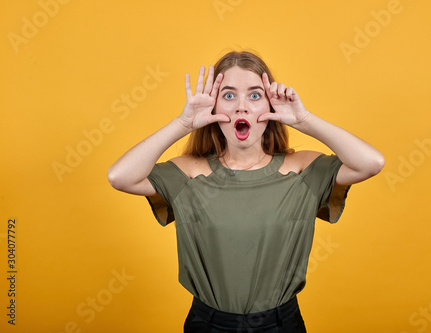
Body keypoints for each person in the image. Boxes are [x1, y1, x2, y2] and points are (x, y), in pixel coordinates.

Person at [107, 50, 385, 332]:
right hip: (208, 325)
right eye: (228, 95)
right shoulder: (188, 174)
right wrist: (183, 124)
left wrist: (304, 120)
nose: (241, 107)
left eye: (254, 95)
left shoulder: (301, 170)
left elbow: (371, 163)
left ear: (270, 106)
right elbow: (120, 176)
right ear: (213, 109)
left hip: (281, 324)